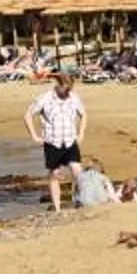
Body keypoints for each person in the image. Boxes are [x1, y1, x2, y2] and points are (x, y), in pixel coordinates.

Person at [25, 73, 88, 212]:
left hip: (70, 139)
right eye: (66, 89)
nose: (68, 92)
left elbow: (83, 114)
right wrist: (34, 136)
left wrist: (81, 133)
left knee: (77, 171)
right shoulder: (45, 98)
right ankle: (57, 208)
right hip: (52, 141)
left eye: (70, 89)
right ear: (58, 86)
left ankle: (81, 201)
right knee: (54, 174)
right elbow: (28, 114)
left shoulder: (74, 97)